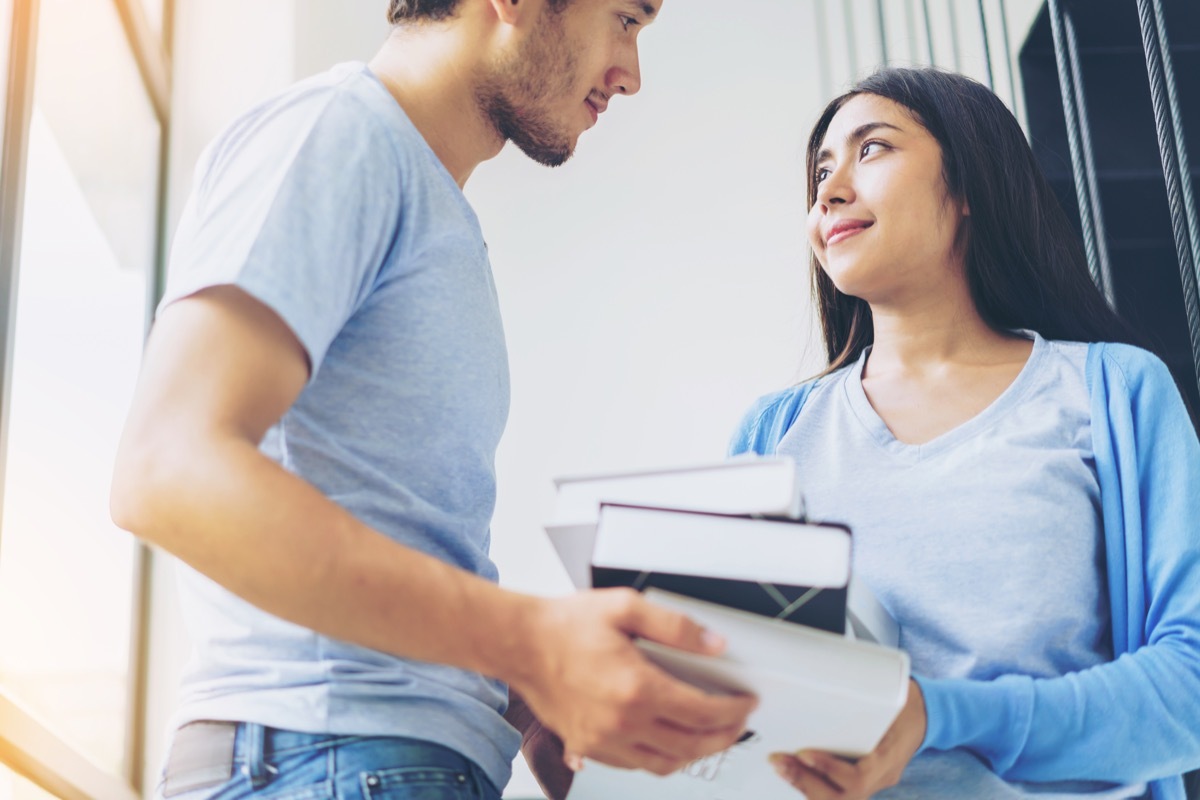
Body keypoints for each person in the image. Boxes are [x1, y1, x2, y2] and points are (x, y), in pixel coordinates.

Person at [110, 1, 757, 798]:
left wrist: (528, 692)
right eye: (626, 19)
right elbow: (167, 468)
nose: (631, 76)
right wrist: (533, 642)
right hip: (325, 757)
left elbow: (382, 520)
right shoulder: (338, 133)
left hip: (379, 760)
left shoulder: (432, 205)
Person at [729, 67, 1200, 800]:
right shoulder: (772, 435)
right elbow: (740, 703)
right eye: (821, 171)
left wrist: (934, 715)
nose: (829, 191)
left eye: (872, 150)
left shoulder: (1114, 392)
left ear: (972, 183)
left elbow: (1189, 688)